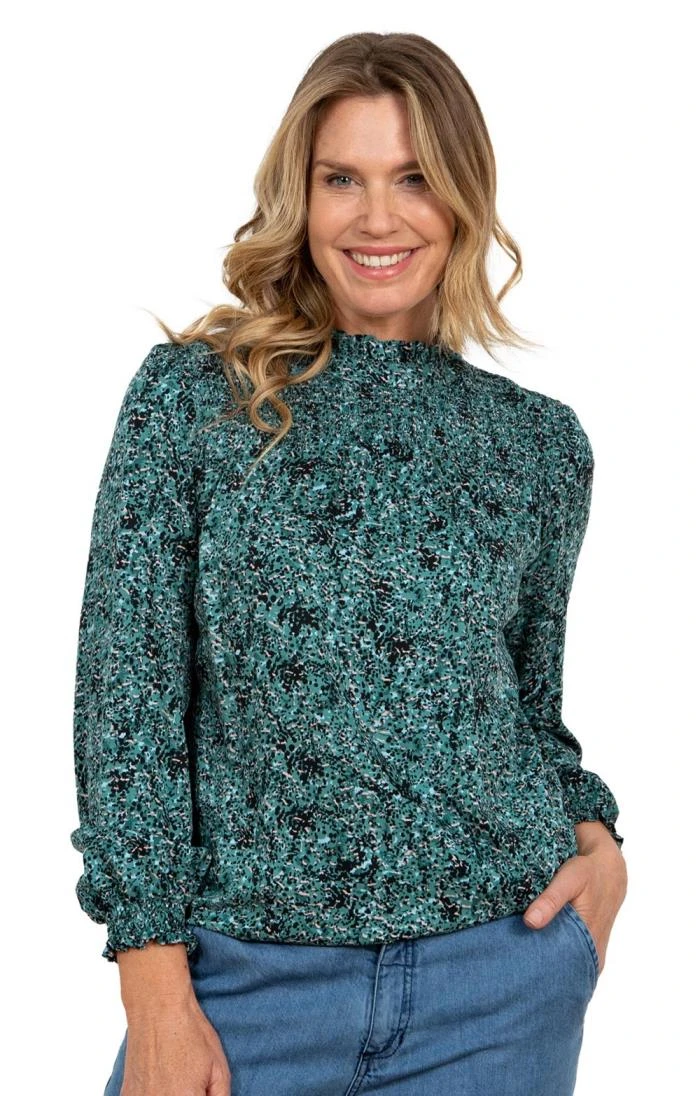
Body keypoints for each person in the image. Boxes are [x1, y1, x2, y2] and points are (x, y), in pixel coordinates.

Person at [70, 30, 627, 1096]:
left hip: (498, 984)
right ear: (301, 196)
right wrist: (152, 984)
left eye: (414, 178)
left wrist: (598, 844)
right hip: (242, 985)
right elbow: (125, 703)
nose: (378, 217)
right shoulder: (194, 399)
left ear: (463, 198)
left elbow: (525, 704)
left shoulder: (538, 444)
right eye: (342, 179)